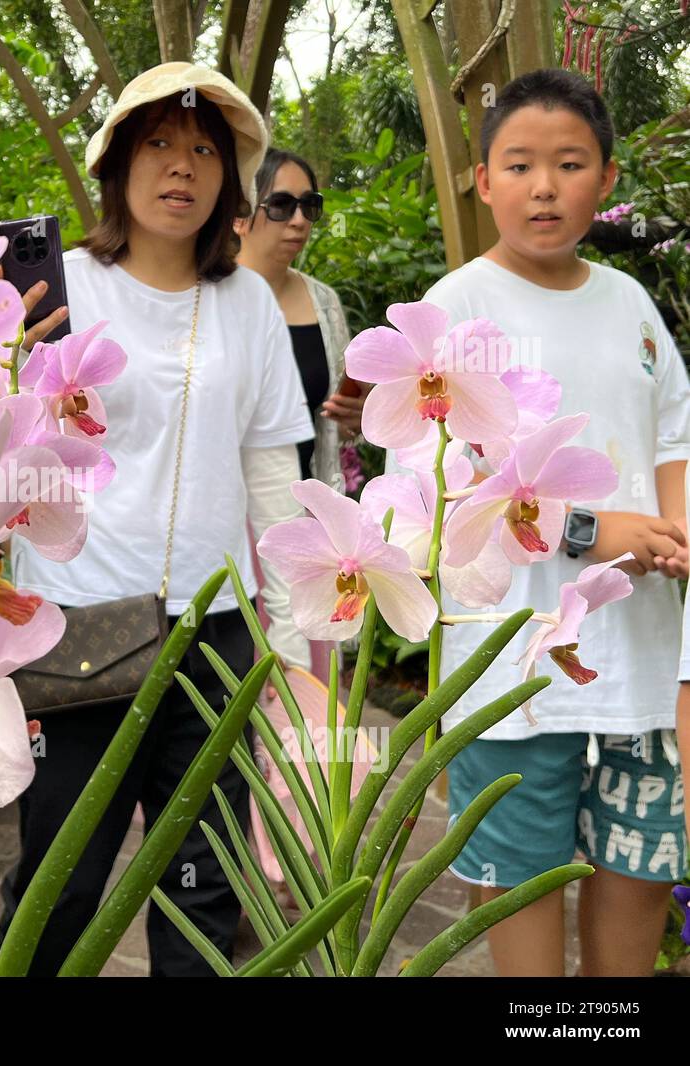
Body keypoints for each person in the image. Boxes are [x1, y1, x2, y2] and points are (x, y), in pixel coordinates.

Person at [0, 62, 314, 977]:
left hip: (214, 635)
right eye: (161, 145)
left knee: (207, 883)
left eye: (205, 150)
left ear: (229, 180)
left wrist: (286, 637)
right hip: (76, 626)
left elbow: (270, 474)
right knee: (61, 877)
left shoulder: (248, 300)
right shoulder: (58, 289)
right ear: (118, 168)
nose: (183, 167)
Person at [415, 68, 690, 977]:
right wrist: (587, 533)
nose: (544, 186)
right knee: (518, 881)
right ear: (482, 180)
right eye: (520, 164)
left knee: (635, 880)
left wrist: (675, 531)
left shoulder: (630, 307)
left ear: (605, 181)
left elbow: (674, 439)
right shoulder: (456, 312)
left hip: (639, 665)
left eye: (569, 164)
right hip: (509, 673)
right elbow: (434, 492)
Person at [234, 148, 362, 488]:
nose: (299, 219)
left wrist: (358, 417)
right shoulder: (208, 299)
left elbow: (339, 427)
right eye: (280, 205)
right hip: (229, 514)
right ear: (239, 217)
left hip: (306, 509)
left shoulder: (323, 301)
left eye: (309, 205)